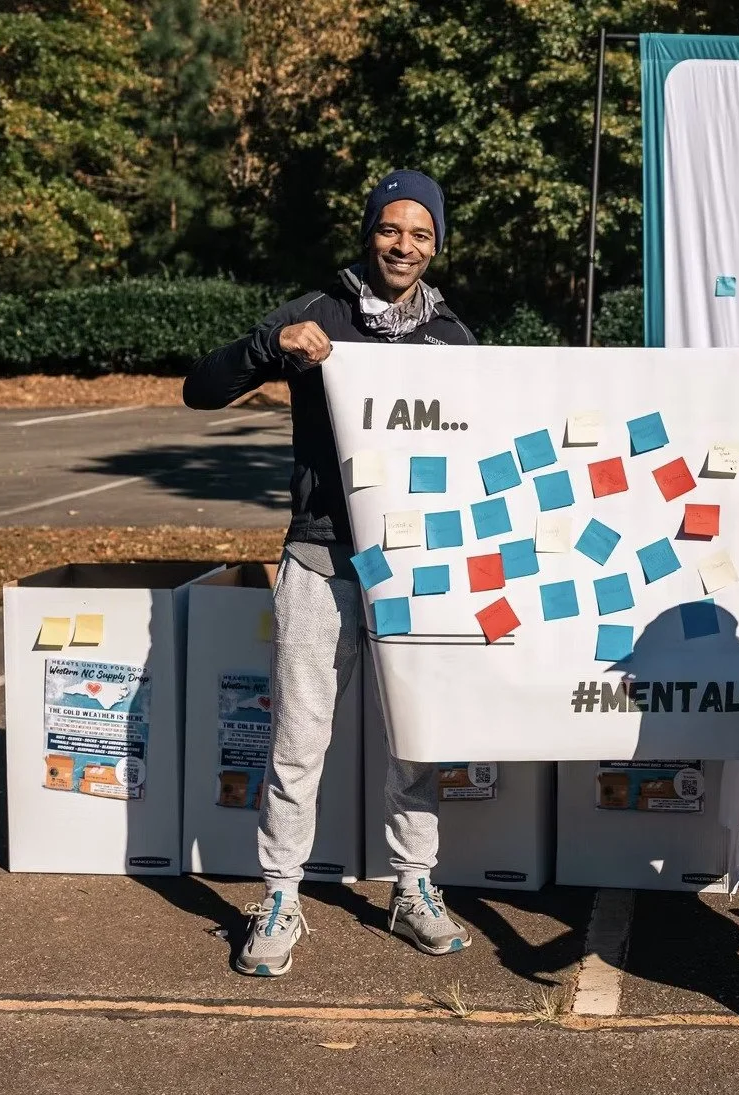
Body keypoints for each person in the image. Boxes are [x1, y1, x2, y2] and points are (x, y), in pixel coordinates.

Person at [184, 169, 478, 976]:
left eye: (422, 233)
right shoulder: (315, 314)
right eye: (392, 229)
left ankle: (413, 884)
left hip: (416, 566)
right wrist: (268, 349)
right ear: (369, 231)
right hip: (320, 556)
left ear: (438, 243)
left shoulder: (454, 338)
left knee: (416, 739)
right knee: (298, 738)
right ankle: (279, 893)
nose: (405, 246)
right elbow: (199, 389)